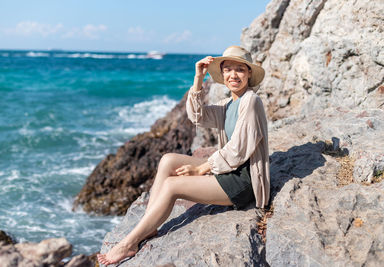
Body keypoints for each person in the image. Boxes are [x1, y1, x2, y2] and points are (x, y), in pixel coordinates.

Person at [97, 45, 270, 266]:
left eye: (240, 70)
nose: (233, 75)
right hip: (229, 171)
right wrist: (198, 78)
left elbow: (239, 149)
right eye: (228, 70)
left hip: (244, 182)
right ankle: (148, 226)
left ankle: (128, 243)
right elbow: (197, 116)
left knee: (171, 185)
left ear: (249, 74)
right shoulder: (229, 104)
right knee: (168, 159)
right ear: (223, 74)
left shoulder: (251, 101)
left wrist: (201, 168)